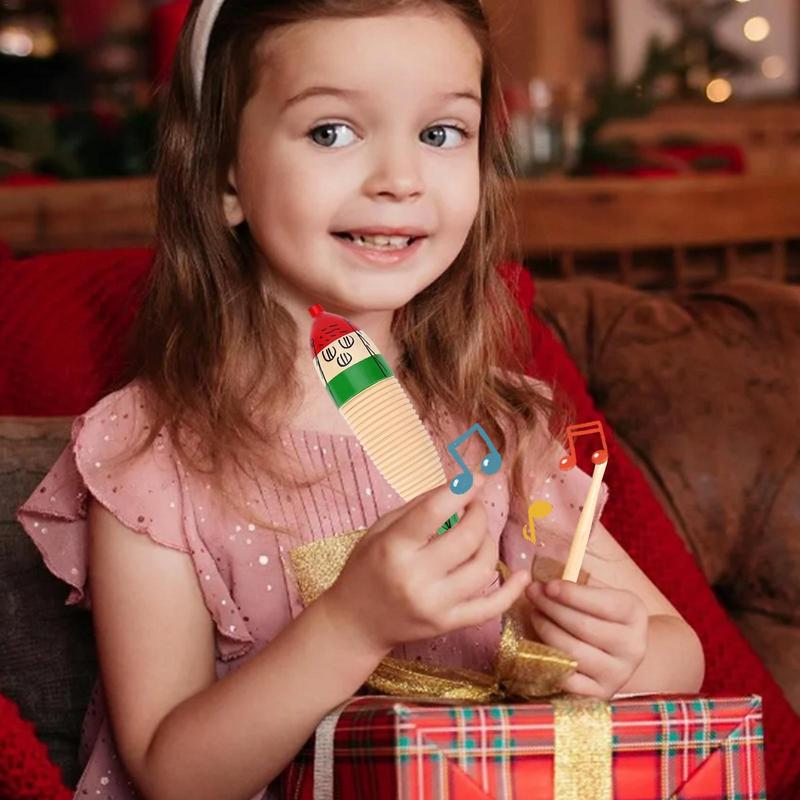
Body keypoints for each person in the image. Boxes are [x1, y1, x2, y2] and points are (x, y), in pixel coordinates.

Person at [17, 1, 704, 798]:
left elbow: (677, 651)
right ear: (223, 176)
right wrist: (351, 625)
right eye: (331, 132)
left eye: (441, 134)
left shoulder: (500, 425)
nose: (399, 180)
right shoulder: (154, 452)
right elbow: (176, 775)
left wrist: (621, 658)